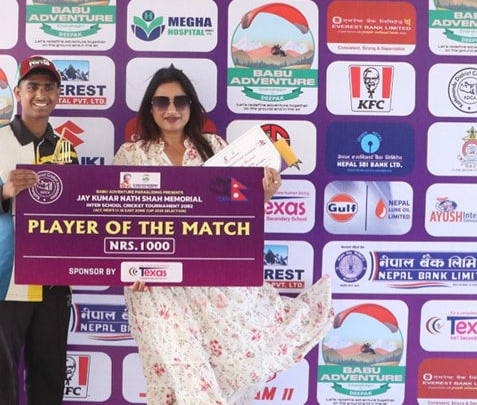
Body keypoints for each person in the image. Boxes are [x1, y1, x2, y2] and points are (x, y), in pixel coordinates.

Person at [113, 65, 333, 404]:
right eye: (161, 102)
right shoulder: (130, 155)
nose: (171, 110)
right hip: (156, 282)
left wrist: (262, 196)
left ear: (191, 106)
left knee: (223, 363)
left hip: (210, 277)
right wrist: (131, 267)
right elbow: (116, 219)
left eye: (180, 101)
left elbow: (234, 210)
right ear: (150, 108)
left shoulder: (214, 147)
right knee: (177, 368)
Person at [0, 55, 77, 405]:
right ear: (18, 93)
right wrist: (3, 193)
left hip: (53, 285)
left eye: (49, 87)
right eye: (32, 86)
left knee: (49, 382)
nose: (41, 94)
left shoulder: (67, 149)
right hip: (5, 283)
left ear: (58, 94)